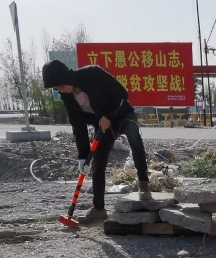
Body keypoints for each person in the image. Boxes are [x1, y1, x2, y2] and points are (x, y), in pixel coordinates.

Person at [41, 59, 151, 223]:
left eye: (60, 86)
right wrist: (83, 156)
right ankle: (98, 209)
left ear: (66, 78)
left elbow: (121, 93)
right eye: (57, 89)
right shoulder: (67, 96)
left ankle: (144, 183)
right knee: (97, 161)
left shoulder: (92, 73)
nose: (60, 90)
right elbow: (78, 125)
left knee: (134, 136)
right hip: (103, 125)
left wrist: (107, 115)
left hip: (121, 114)